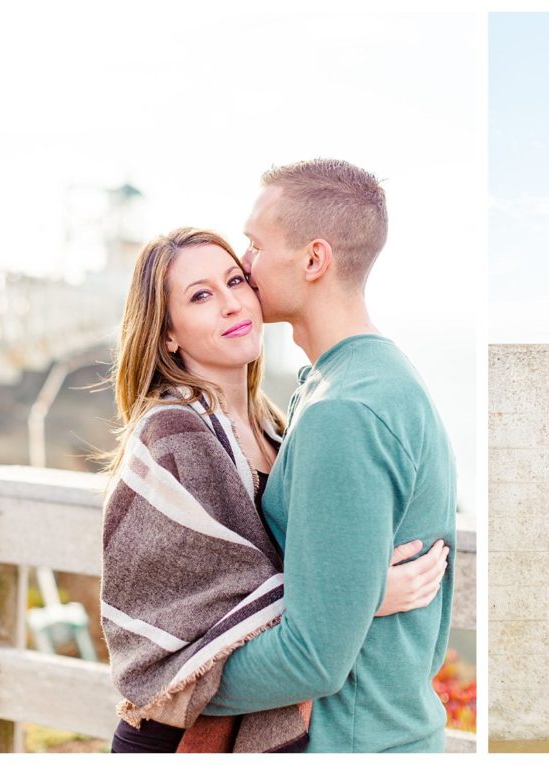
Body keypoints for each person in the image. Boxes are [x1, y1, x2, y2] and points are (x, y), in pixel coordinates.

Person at [100, 228, 449, 753]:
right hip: (173, 738)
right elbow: (181, 623)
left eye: (236, 281)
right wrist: (360, 596)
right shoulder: (172, 434)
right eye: (200, 295)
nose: (231, 303)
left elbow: (283, 571)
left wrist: (339, 596)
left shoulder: (275, 430)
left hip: (232, 722)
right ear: (167, 333)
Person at [198, 159, 458, 752]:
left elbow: (313, 658)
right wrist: (361, 595)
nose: (243, 266)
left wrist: (175, 680)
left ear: (314, 260)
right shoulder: (354, 378)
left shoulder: (345, 410)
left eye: (255, 246)